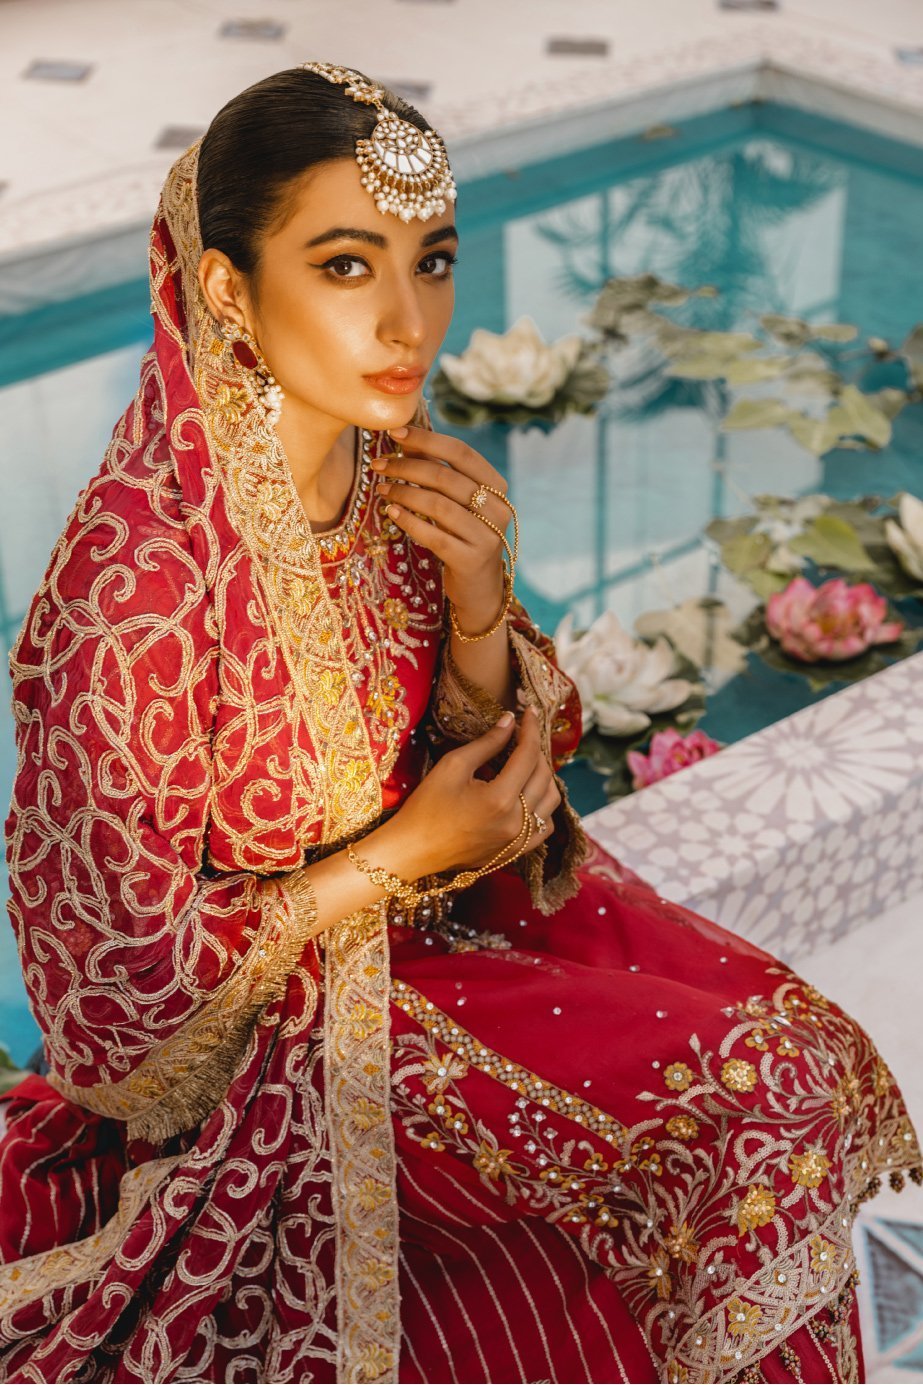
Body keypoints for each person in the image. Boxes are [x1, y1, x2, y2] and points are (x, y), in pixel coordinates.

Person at [0, 61, 918, 1385]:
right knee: (742, 1119)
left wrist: (482, 604)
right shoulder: (136, 592)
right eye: (346, 264)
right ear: (225, 289)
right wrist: (397, 858)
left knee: (792, 1063)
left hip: (440, 944)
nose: (409, 319)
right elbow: (108, 1016)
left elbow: (506, 795)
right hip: (263, 1050)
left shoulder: (388, 463)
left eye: (429, 260)